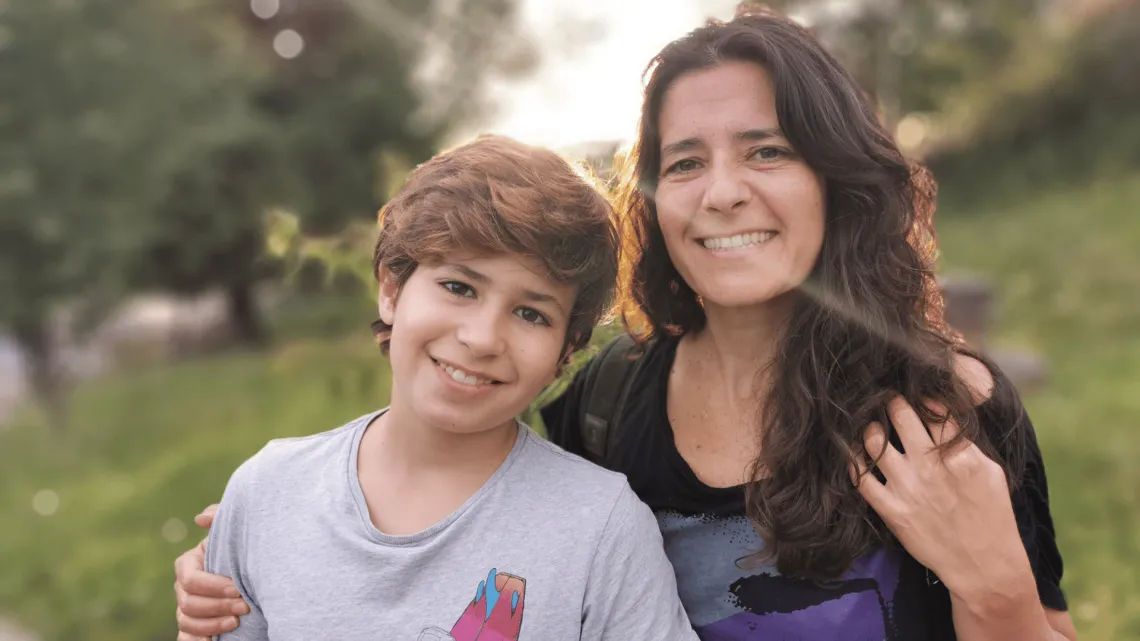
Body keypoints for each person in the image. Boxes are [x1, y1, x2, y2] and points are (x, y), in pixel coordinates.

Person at [174, 8, 1079, 641]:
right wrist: (273, 547)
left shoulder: (944, 408)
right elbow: (488, 529)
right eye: (686, 161)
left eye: (767, 150)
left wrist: (994, 584)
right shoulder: (607, 400)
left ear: (834, 180)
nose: (723, 191)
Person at [182, 134, 699, 641]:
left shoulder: (602, 529)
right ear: (391, 289)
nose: (480, 338)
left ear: (566, 352)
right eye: (458, 287)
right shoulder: (267, 493)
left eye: (531, 313)